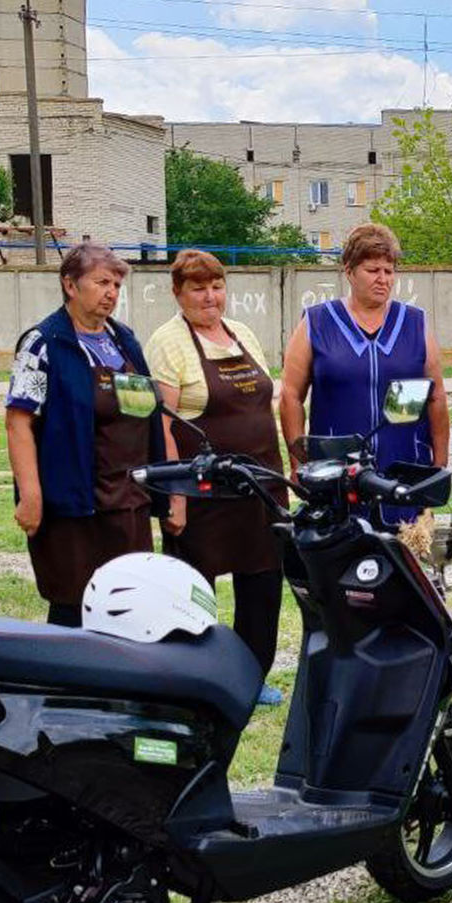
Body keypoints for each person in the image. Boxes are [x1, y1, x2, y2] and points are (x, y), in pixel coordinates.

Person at [146, 249, 289, 706]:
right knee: (194, 587)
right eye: (198, 288)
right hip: (202, 490)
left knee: (263, 583)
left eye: (216, 286)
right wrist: (175, 496)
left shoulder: (242, 333)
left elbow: (263, 404)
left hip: (261, 485)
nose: (210, 296)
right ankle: (197, 679)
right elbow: (162, 423)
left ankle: (251, 676)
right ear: (178, 292)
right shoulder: (168, 342)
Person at [4, 243, 167, 627]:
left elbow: (148, 412)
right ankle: (64, 686)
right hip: (74, 502)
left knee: (128, 606)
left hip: (128, 500)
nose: (111, 292)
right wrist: (31, 495)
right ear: (70, 285)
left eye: (116, 285)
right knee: (74, 606)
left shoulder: (123, 339)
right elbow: (18, 422)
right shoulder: (42, 343)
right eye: (101, 282)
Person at [279, 223, 449, 523]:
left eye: (389, 270)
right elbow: (291, 396)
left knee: (402, 563)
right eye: (373, 270)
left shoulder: (414, 323)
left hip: (403, 469)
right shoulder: (318, 322)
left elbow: (435, 398)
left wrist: (438, 465)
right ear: (349, 271)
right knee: (341, 562)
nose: (383, 279)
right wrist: (299, 463)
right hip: (336, 473)